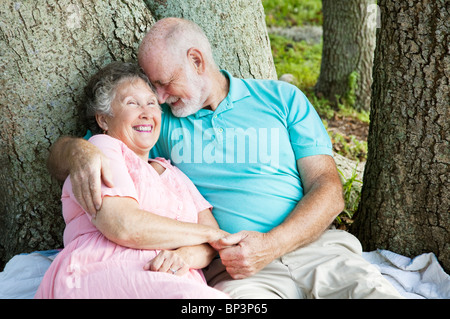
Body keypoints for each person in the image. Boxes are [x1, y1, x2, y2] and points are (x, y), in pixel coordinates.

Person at [47, 18, 402, 298]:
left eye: (164, 83)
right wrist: (77, 149)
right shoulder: (158, 122)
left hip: (318, 252)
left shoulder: (281, 99)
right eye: (152, 88)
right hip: (236, 271)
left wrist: (271, 245)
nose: (158, 96)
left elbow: (329, 189)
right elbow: (84, 153)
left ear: (197, 61)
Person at [35, 61, 229, 299]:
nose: (146, 112)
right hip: (105, 268)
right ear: (104, 120)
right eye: (132, 103)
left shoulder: (175, 174)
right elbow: (124, 226)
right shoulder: (102, 149)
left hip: (172, 279)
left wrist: (186, 256)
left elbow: (214, 243)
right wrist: (206, 235)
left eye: (151, 103)